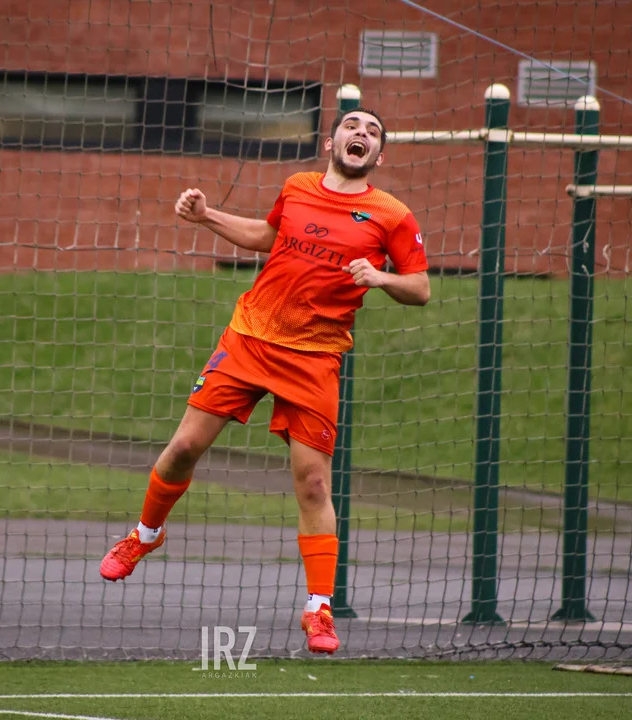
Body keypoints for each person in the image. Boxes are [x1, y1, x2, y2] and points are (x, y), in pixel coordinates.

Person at [100, 107, 430, 655]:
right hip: (250, 338)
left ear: (379, 154)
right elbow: (267, 235)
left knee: (313, 484)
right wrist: (206, 215)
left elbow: (420, 288)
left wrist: (379, 277)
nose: (362, 134)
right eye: (352, 126)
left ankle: (319, 609)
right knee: (183, 448)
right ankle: (145, 535)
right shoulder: (297, 186)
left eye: (373, 131)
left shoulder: (392, 215)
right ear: (331, 142)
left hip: (315, 358)